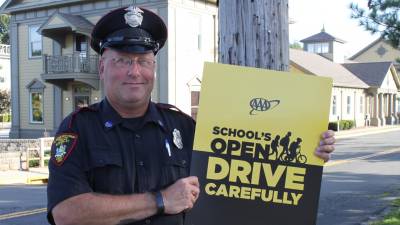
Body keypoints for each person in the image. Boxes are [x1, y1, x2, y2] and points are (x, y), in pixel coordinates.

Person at [46, 5, 336, 225]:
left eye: (144, 61)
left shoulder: (182, 126)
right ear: (102, 69)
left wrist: (306, 148)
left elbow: (246, 164)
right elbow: (66, 213)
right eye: (122, 61)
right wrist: (160, 200)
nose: (135, 72)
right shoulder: (78, 129)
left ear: (154, 69)